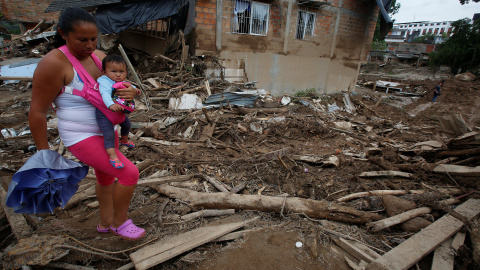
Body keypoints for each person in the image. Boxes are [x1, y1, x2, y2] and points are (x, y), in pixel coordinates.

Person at [29, 7, 145, 240]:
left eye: (94, 39)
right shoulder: (53, 63)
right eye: (82, 39)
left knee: (106, 178)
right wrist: (44, 154)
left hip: (106, 130)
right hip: (81, 135)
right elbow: (38, 111)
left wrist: (133, 93)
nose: (90, 45)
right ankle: (120, 223)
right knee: (129, 174)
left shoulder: (100, 58)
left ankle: (105, 222)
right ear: (63, 33)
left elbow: (122, 88)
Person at [97, 54, 137, 169]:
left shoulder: (119, 80)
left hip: (119, 111)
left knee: (127, 124)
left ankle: (124, 140)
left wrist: (135, 90)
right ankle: (113, 156)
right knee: (109, 134)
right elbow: (104, 94)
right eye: (114, 71)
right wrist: (110, 104)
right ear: (104, 72)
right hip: (105, 113)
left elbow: (128, 85)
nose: (118, 75)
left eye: (122, 71)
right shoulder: (105, 81)